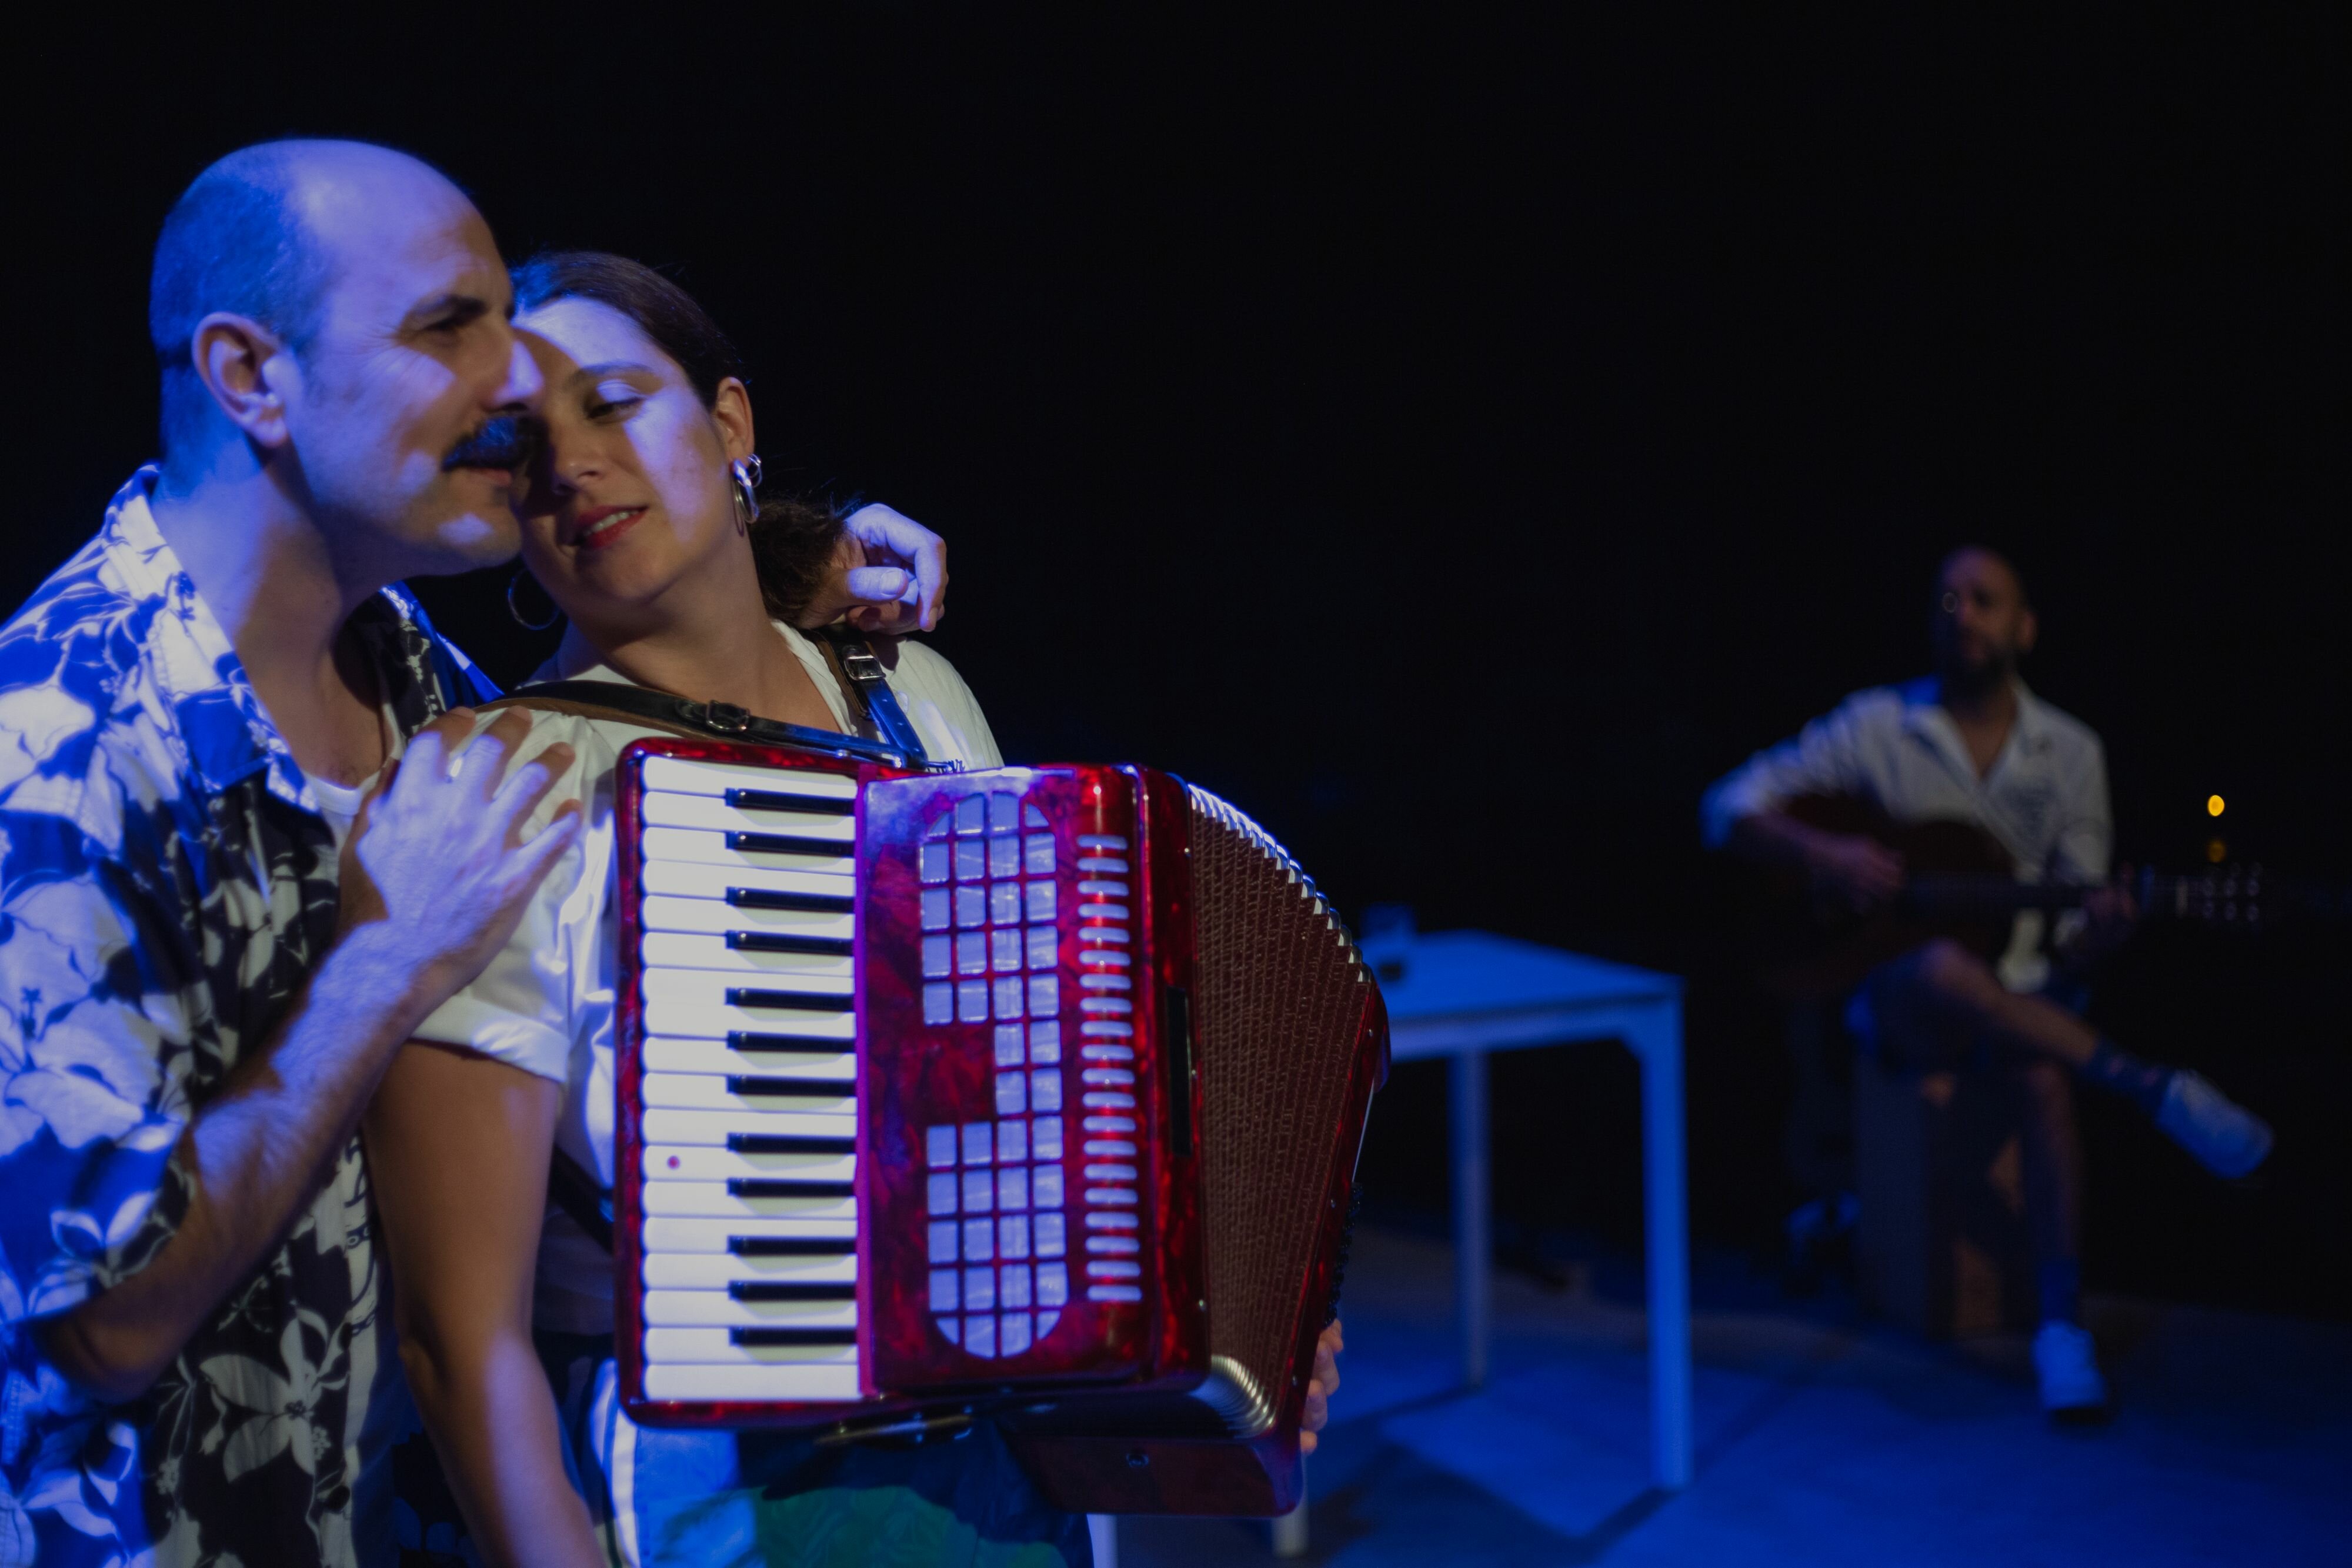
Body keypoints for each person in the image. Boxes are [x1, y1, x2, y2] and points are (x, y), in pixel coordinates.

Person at [0, 142, 948, 1568]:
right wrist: (381, 962)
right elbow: (99, 1323)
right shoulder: (56, 749)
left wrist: (793, 563)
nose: (512, 387)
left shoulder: (403, 666)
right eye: (450, 328)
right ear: (250, 377)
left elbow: (647, 657)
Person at [360, 253, 1345, 1567]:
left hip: (1004, 1476)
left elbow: (1050, 1119)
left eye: (611, 403)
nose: (574, 465)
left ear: (729, 424)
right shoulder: (497, 782)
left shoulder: (914, 700)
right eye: (521, 444)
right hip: (717, 1498)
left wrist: (1232, 1317)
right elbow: (458, 1341)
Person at [1701, 545, 2273, 1418]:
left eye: (1984, 599)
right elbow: (1724, 805)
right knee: (1939, 963)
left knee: (2041, 1072)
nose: (1962, 612)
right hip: (1903, 1003)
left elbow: (2072, 938)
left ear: (2025, 627)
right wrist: (1827, 852)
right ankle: (2152, 1086)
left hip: (2027, 1000)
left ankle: (2060, 1331)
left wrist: (2101, 933)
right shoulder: (1879, 724)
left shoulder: (2071, 751)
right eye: (1948, 599)